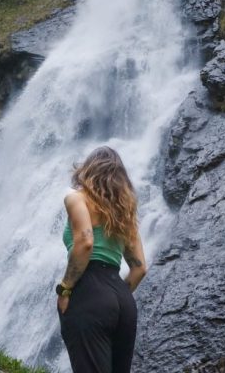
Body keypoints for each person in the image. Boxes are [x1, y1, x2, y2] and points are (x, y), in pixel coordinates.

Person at [56, 146, 148, 373]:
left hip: (89, 291)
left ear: (87, 171)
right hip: (123, 299)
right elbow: (140, 268)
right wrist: (115, 295)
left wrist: (65, 289)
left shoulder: (76, 198)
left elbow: (86, 241)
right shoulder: (124, 213)